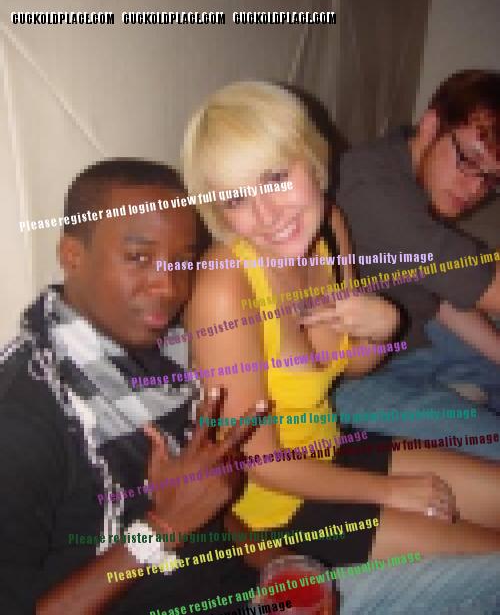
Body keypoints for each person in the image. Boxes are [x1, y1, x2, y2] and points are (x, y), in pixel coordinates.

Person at [181, 80, 500, 582]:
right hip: (277, 509)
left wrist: (384, 326)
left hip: (330, 448)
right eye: (236, 199)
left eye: (275, 177)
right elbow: (261, 464)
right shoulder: (225, 287)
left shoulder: (329, 225)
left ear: (311, 158)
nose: (267, 216)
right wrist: (391, 492)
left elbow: (354, 365)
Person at [0, 158, 262, 614]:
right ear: (72, 255)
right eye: (139, 258)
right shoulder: (24, 417)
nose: (169, 286)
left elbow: (203, 507)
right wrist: (160, 529)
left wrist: (275, 561)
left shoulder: (166, 352)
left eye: (183, 261)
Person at [335, 69, 500, 459]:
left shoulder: (407, 165)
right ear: (430, 125)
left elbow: (442, 295)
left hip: (413, 335)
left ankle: (465, 389)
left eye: (492, 179)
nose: (475, 189)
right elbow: (489, 289)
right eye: (469, 160)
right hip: (350, 379)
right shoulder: (375, 193)